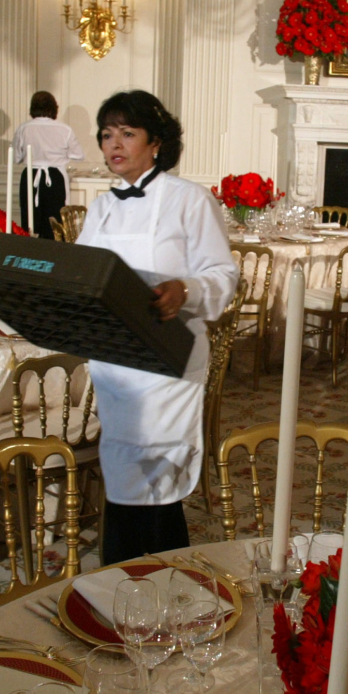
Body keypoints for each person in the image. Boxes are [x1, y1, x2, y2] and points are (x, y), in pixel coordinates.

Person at [76, 90, 238, 564]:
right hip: (116, 364)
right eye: (107, 134)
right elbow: (85, 273)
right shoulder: (101, 208)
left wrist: (184, 290)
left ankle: (150, 581)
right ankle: (137, 585)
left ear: (156, 143)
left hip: (168, 358)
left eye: (127, 133)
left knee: (158, 478)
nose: (114, 144)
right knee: (124, 472)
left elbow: (223, 276)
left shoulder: (190, 199)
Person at [13, 91, 84, 239]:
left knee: (30, 218)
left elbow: (17, 157)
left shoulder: (24, 128)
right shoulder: (64, 129)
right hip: (55, 176)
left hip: (31, 176)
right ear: (54, 108)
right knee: (55, 220)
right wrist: (60, 155)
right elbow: (78, 155)